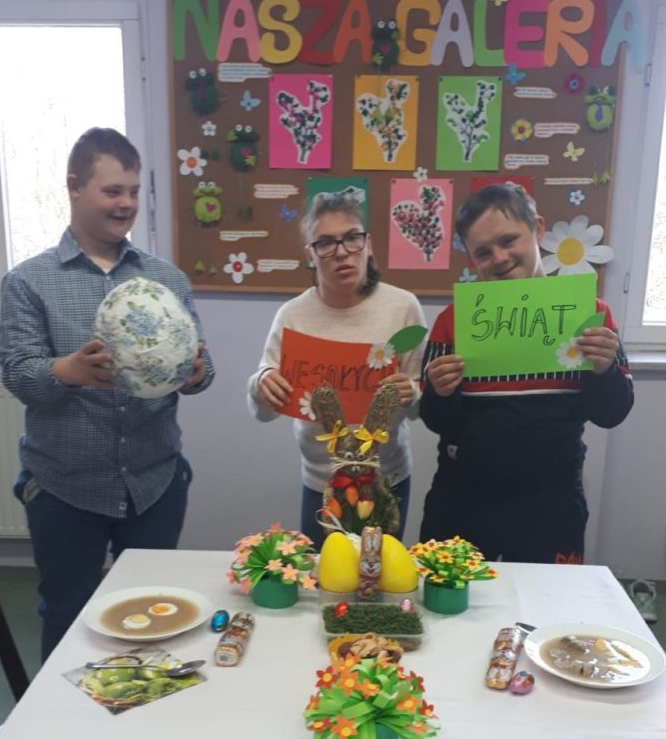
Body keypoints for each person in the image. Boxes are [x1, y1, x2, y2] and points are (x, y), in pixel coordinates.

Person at [0, 127, 214, 659]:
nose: (126, 204)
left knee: (154, 613)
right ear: (74, 186)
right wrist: (67, 371)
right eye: (112, 191)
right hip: (65, 489)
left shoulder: (167, 279)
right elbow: (19, 375)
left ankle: (142, 706)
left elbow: (202, 366)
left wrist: (196, 372)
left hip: (154, 483)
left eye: (134, 191)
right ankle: (62, 712)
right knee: (68, 614)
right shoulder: (28, 281)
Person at [419, 183, 633, 563]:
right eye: (483, 252)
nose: (499, 258)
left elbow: (611, 413)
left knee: (547, 598)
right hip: (463, 498)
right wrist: (440, 392)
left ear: (537, 229)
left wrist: (604, 370)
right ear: (471, 257)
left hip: (551, 501)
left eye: (508, 240)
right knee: (450, 596)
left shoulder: (590, 313)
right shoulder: (453, 322)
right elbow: (436, 421)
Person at [247, 191, 427, 549]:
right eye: (326, 243)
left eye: (351, 238)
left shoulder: (403, 308)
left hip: (386, 481)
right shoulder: (292, 316)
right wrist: (261, 383)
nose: (341, 252)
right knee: (322, 575)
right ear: (310, 255)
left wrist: (413, 393)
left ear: (368, 244)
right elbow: (263, 412)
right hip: (321, 482)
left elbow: (420, 408)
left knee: (379, 574)